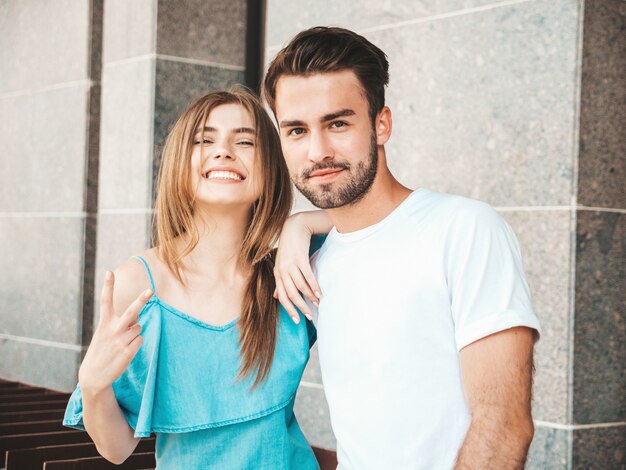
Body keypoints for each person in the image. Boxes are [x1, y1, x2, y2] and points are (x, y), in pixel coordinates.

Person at [266, 27, 542, 470]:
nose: (318, 151)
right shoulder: (312, 261)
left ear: (381, 124)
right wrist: (296, 226)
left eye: (337, 123)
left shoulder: (464, 229)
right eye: (297, 130)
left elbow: (504, 424)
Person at [63, 88, 320, 469]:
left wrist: (302, 223)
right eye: (205, 139)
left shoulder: (290, 272)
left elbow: (373, 220)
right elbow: (116, 449)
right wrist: (93, 384)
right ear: (181, 163)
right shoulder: (137, 284)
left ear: (271, 166)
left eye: (245, 140)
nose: (224, 151)